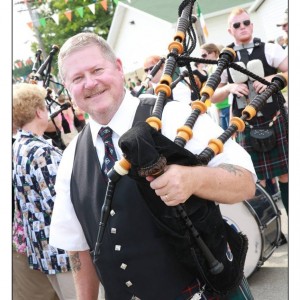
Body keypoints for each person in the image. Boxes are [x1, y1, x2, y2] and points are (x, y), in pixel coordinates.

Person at [49, 32, 257, 299]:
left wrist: (193, 179)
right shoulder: (71, 158)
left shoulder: (173, 117)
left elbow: (245, 182)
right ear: (67, 88)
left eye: (97, 69)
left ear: (119, 67)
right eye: (78, 78)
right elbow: (79, 251)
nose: (90, 83)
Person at [211, 7, 288, 215]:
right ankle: (273, 232)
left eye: (246, 23)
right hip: (245, 124)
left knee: (286, 175)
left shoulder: (270, 50)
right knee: (255, 178)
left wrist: (274, 79)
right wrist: (229, 87)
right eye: (237, 25)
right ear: (230, 31)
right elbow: (210, 95)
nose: (242, 27)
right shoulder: (224, 59)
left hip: (276, 118)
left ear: (252, 25)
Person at [12, 83, 76, 300]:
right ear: (39, 111)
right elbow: (62, 202)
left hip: (42, 249)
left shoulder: (18, 146)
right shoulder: (41, 151)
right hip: (63, 251)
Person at [199, 43, 231, 130]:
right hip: (219, 106)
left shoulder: (219, 66)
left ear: (213, 53)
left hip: (226, 105)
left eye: (204, 55)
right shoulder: (211, 67)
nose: (202, 58)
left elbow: (218, 88)